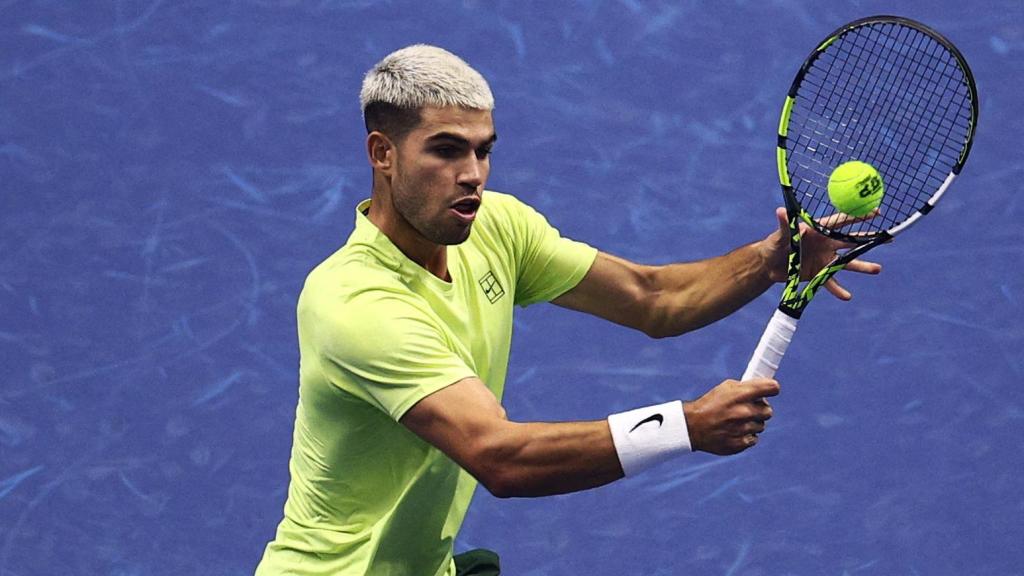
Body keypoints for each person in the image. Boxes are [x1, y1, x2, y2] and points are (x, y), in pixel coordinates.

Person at [254, 44, 880, 576]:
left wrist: (773, 258)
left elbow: (653, 298)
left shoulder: (496, 227)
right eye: (446, 151)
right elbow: (498, 455)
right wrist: (684, 425)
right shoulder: (355, 303)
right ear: (382, 153)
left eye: (483, 149)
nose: (473, 174)